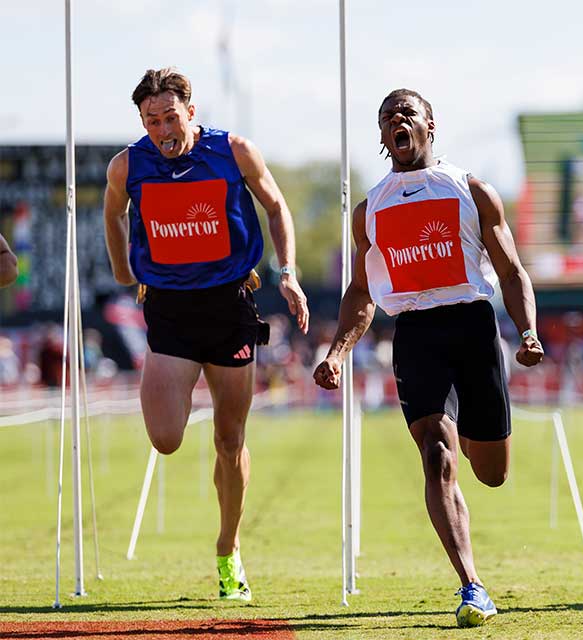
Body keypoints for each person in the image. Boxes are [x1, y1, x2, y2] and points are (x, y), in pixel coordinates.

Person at [313, 88, 543, 627]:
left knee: (491, 473)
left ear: (429, 124)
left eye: (407, 113)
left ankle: (468, 428)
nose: (397, 121)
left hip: (473, 326)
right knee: (437, 454)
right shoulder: (370, 208)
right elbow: (361, 292)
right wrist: (337, 353)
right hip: (415, 333)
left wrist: (528, 332)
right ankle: (472, 586)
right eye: (387, 117)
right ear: (382, 135)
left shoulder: (471, 190)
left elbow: (510, 272)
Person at [102, 68, 309, 602]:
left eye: (171, 117)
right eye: (152, 121)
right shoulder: (129, 164)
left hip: (230, 304)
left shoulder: (233, 151)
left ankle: (228, 549)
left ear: (191, 112)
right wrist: (125, 272)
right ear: (142, 122)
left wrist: (288, 272)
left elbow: (276, 206)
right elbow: (112, 211)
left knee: (229, 438)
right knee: (166, 438)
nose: (163, 129)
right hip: (169, 308)